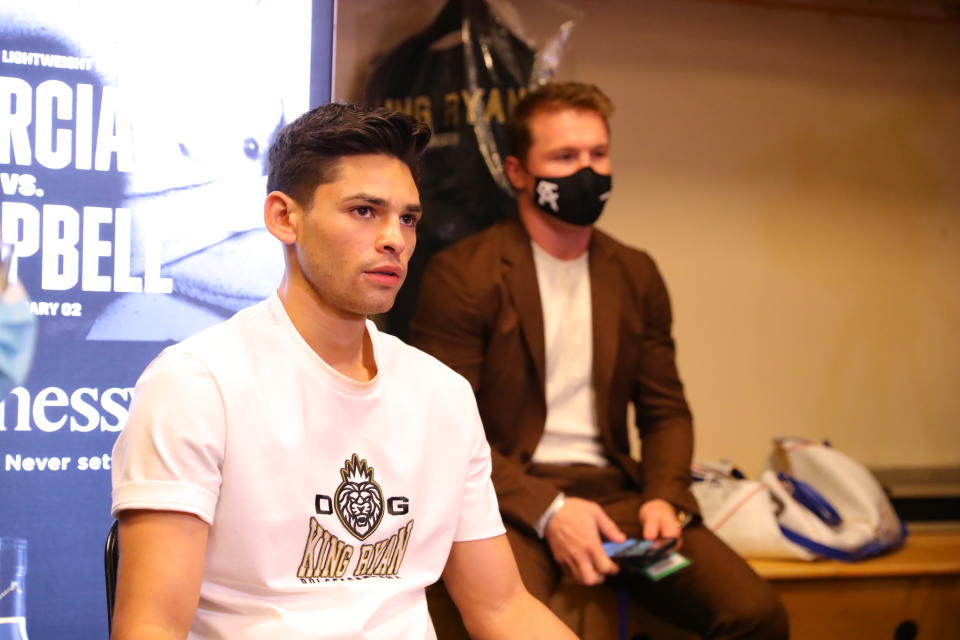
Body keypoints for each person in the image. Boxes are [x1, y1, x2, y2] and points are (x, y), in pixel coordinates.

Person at [109, 103, 577, 639]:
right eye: (363, 211)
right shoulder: (196, 384)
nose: (394, 239)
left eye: (407, 218)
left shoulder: (441, 394)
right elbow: (151, 625)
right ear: (285, 217)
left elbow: (503, 609)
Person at [411, 82, 789, 639]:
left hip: (619, 492)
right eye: (564, 157)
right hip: (506, 492)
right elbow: (443, 430)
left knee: (756, 614)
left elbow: (666, 411)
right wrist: (550, 510)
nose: (586, 171)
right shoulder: (463, 274)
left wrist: (666, 493)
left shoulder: (635, 273)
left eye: (597, 154)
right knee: (504, 624)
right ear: (518, 172)